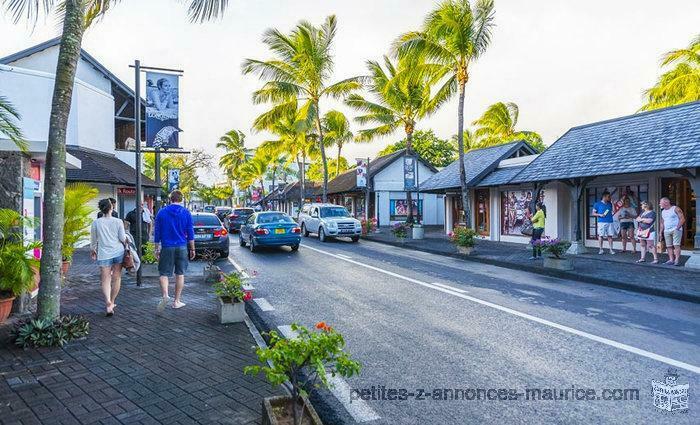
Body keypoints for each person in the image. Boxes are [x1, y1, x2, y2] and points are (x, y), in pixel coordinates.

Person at [154, 190, 195, 310]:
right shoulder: (186, 212)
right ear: (181, 199)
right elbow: (190, 232)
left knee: (163, 273)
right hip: (182, 246)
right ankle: (176, 301)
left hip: (167, 246)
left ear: (170, 199)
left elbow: (157, 232)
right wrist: (192, 248)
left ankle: (165, 295)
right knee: (180, 274)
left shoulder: (161, 212)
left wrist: (157, 248)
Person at [90, 199, 127, 316]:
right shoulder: (118, 221)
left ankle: (107, 301)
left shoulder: (96, 223)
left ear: (101, 209)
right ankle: (113, 301)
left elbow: (93, 239)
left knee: (105, 279)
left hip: (103, 253)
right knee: (117, 277)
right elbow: (122, 238)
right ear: (111, 208)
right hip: (118, 252)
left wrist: (93, 250)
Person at [658, 197, 686, 266]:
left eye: (661, 203)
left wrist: (677, 228)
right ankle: (671, 259)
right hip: (666, 230)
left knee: (676, 245)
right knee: (669, 246)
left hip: (676, 229)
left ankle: (677, 260)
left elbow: (682, 219)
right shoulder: (663, 211)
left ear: (666, 202)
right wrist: (660, 232)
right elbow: (662, 222)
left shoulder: (675, 209)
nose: (659, 204)